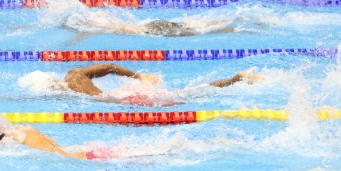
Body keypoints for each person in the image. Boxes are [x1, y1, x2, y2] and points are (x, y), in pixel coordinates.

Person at [62, 63, 264, 98]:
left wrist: (139, 77)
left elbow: (109, 67)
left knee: (189, 96)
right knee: (187, 93)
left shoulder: (72, 81)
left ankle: (236, 79)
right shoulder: (74, 74)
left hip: (125, 99)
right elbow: (110, 66)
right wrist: (138, 76)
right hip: (127, 94)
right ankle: (235, 79)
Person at [62, 15, 235, 36]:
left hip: (161, 26)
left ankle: (90, 22)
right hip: (164, 27)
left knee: (125, 28)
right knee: (202, 27)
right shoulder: (195, 30)